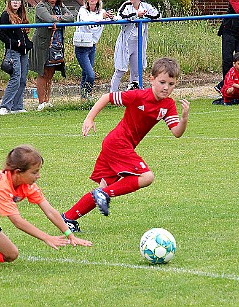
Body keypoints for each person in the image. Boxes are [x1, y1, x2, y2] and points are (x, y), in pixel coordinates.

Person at [61, 57, 190, 232]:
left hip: (116, 145)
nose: (166, 87)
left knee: (103, 188)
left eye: (171, 83)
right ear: (151, 79)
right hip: (118, 144)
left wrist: (184, 119)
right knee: (147, 177)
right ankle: (103, 195)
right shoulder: (138, 96)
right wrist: (89, 118)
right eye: (162, 82)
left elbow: (177, 133)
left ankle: (67, 219)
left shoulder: (167, 106)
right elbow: (107, 97)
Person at [29, 0, 74, 111]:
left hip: (57, 43)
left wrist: (57, 18)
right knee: (43, 72)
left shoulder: (60, 5)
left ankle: (47, 101)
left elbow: (71, 18)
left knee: (51, 72)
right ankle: (41, 102)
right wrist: (62, 17)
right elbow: (48, 19)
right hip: (43, 44)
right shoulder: (41, 6)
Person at [110, 0, 160, 93]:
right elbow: (121, 17)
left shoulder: (146, 5)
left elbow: (157, 15)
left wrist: (143, 16)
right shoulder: (126, 5)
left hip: (139, 42)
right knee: (120, 70)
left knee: (137, 71)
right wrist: (136, 14)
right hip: (126, 43)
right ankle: (112, 94)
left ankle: (133, 94)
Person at [0, 0, 33, 116]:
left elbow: (24, 35)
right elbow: (2, 35)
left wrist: (28, 44)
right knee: (15, 78)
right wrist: (14, 43)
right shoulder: (5, 15)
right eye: (13, 0)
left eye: (18, 1)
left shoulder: (22, 15)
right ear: (9, 2)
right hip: (13, 51)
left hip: (24, 51)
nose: (16, 3)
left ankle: (17, 106)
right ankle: (4, 106)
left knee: (22, 79)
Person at [74, 0, 114, 99]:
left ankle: (84, 98)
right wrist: (102, 17)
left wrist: (111, 17)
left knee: (85, 74)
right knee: (90, 74)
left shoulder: (101, 12)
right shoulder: (82, 10)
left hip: (92, 46)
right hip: (81, 46)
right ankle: (87, 94)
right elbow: (87, 20)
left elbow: (111, 20)